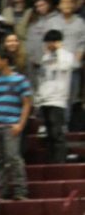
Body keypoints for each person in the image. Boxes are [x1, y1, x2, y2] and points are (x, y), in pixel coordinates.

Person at [0, 50, 31, 200]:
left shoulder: (20, 80)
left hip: (11, 124)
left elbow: (27, 103)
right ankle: (1, 191)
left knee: (13, 157)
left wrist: (20, 124)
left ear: (5, 61)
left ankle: (20, 191)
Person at [37, 29, 75, 163]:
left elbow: (66, 66)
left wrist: (58, 51)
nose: (49, 45)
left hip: (58, 99)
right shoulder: (45, 57)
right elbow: (42, 77)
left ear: (57, 42)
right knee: (49, 133)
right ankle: (52, 159)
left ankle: (60, 161)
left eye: (51, 42)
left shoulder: (67, 56)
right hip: (45, 99)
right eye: (47, 42)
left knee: (57, 132)